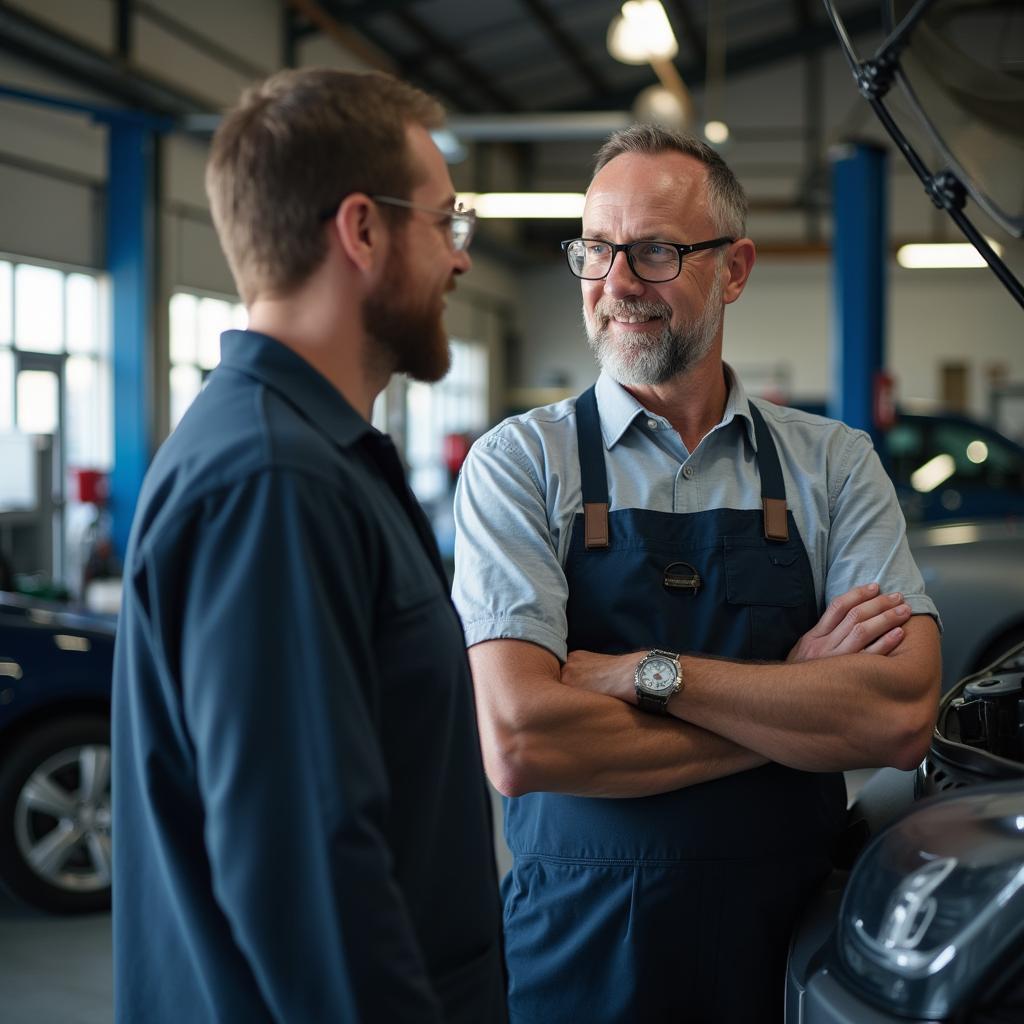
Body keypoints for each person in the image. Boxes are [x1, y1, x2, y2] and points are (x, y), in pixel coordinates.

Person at [453, 124, 941, 1024]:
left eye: (657, 251)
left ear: (736, 269)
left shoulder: (833, 464)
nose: (618, 283)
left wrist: (635, 676)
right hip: (580, 954)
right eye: (596, 250)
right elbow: (524, 743)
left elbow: (900, 713)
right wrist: (797, 703)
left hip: (791, 952)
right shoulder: (520, 464)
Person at [112, 69, 506, 1024]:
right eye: (446, 223)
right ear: (362, 230)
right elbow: (305, 874)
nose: (460, 262)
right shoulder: (274, 485)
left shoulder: (308, 459)